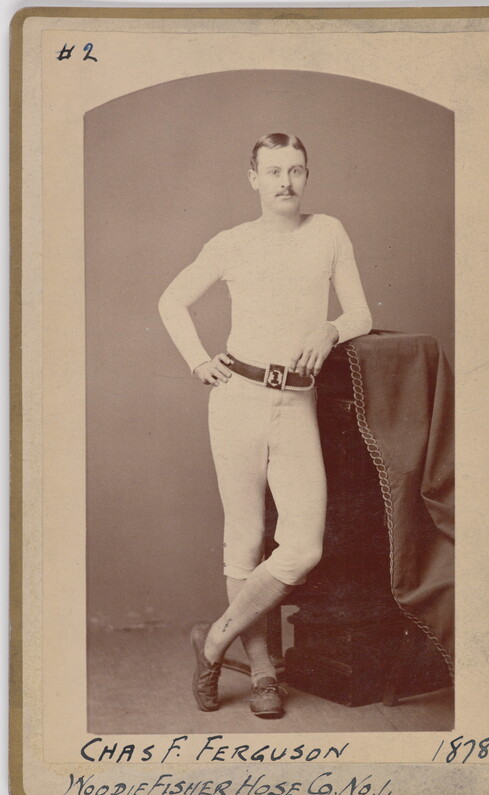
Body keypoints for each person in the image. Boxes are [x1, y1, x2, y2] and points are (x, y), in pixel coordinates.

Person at [158, 133, 372, 718]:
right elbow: (171, 300)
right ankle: (262, 674)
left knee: (302, 547)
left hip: (296, 404)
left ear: (307, 176)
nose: (286, 182)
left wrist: (329, 330)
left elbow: (360, 313)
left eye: (296, 170)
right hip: (238, 400)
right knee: (245, 541)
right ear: (252, 177)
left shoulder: (328, 231)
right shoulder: (231, 243)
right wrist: (199, 361)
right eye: (274, 171)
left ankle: (214, 641)